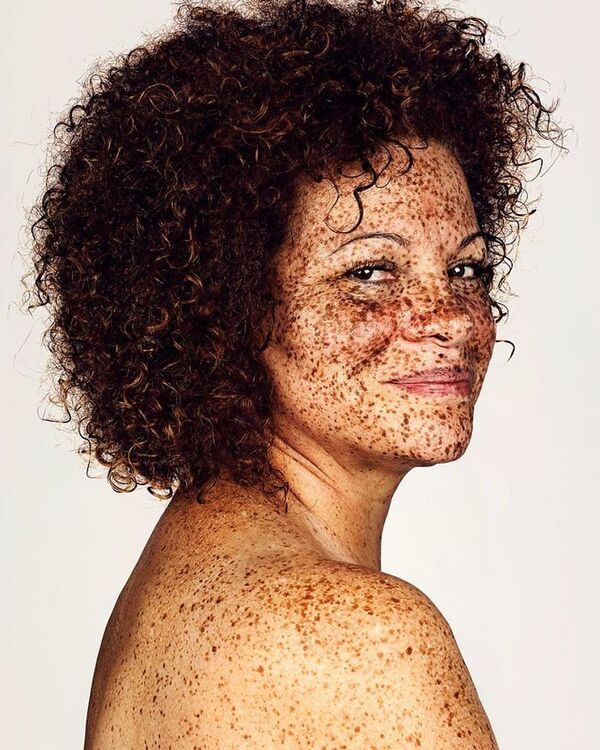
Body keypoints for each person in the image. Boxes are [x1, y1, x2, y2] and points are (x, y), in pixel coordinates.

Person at [21, 0, 564, 746]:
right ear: (230, 305)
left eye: (466, 268)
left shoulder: (187, 578)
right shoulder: (356, 635)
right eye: (370, 272)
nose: (450, 318)